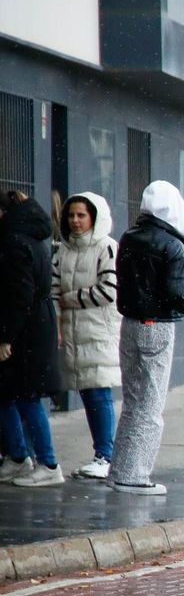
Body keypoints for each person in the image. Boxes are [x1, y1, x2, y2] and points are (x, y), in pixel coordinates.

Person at [108, 180, 184, 495]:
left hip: (129, 323)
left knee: (132, 401)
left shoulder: (129, 238)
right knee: (151, 403)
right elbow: (179, 293)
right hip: (157, 325)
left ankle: (119, 470)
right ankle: (135, 475)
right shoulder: (172, 246)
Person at [53, 192, 122, 479]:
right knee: (88, 392)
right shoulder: (63, 252)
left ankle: (106, 455)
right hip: (72, 334)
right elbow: (52, 291)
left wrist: (72, 299)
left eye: (82, 215)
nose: (76, 221)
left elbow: (109, 290)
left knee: (99, 392)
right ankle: (102, 453)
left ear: (94, 216)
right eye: (71, 215)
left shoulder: (107, 247)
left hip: (98, 332)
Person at [0, 191, 66, 487]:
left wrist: (6, 337)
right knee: (11, 395)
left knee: (27, 397)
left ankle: (48, 463)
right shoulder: (32, 235)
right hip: (35, 323)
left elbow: (18, 295)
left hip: (26, 330)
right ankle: (18, 456)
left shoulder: (15, 241)